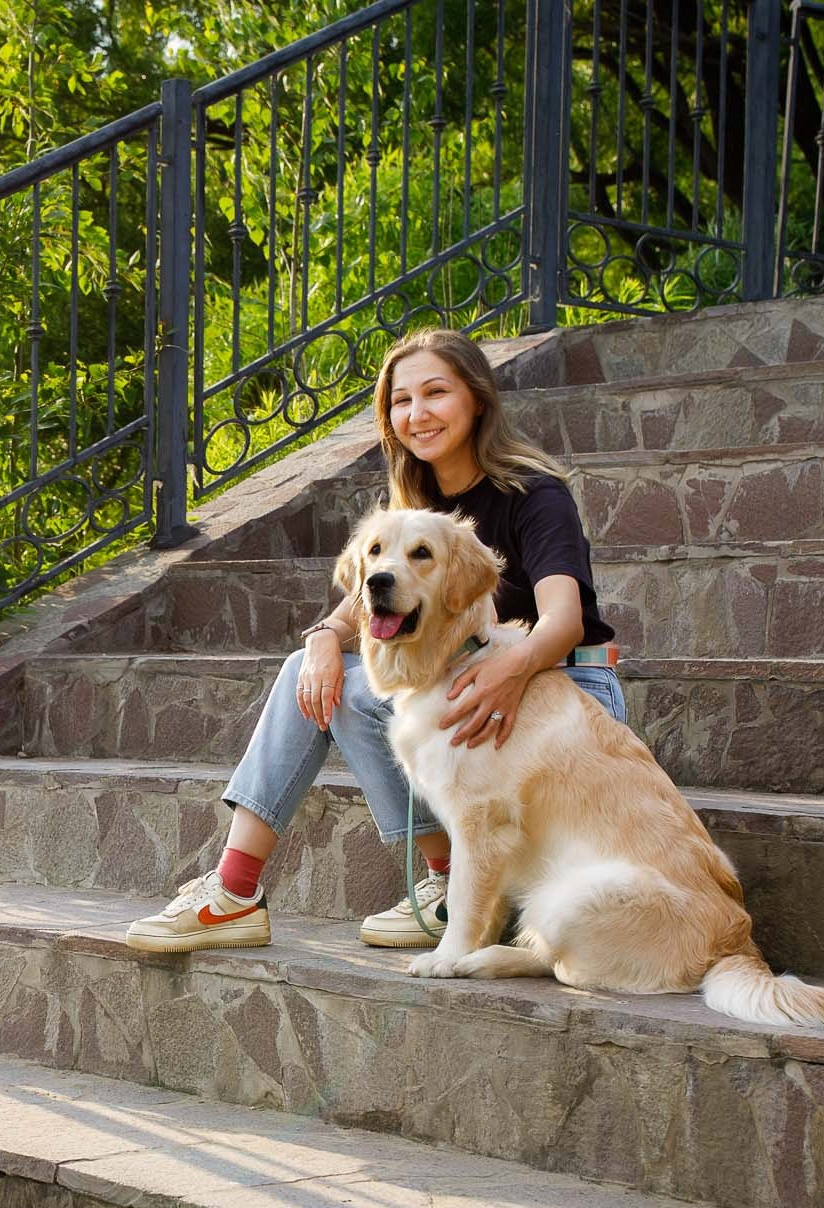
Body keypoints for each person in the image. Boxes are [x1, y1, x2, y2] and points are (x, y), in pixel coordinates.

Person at [126, 327, 627, 953]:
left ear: (476, 398)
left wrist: (513, 670)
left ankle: (443, 887)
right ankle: (248, 890)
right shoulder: (414, 503)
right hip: (465, 679)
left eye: (436, 393)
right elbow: (366, 602)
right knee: (322, 680)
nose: (417, 414)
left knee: (371, 694)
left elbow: (564, 619)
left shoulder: (533, 495)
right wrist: (324, 639)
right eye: (401, 400)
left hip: (562, 685)